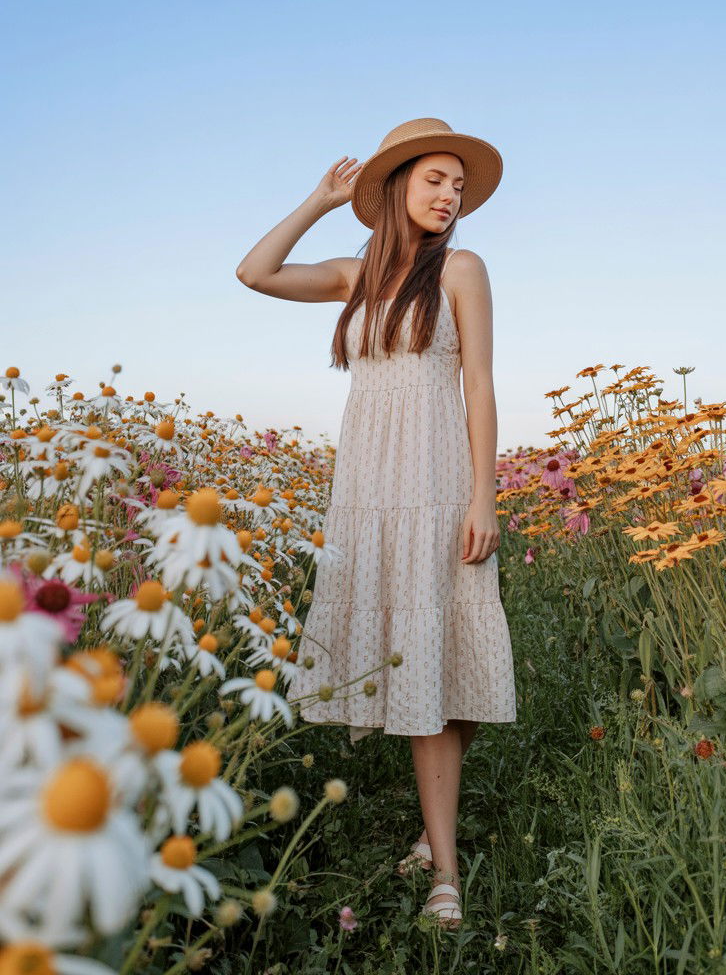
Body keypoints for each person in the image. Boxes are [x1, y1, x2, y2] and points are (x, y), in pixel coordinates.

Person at [236, 117, 517, 929]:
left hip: (436, 488)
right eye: (434, 179)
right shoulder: (355, 276)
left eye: (457, 186)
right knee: (425, 664)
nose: (449, 195)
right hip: (368, 492)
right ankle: (436, 838)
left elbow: (481, 386)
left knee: (439, 663)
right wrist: (321, 200)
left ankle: (446, 874)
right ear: (396, 187)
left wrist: (484, 497)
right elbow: (255, 272)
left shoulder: (462, 268)